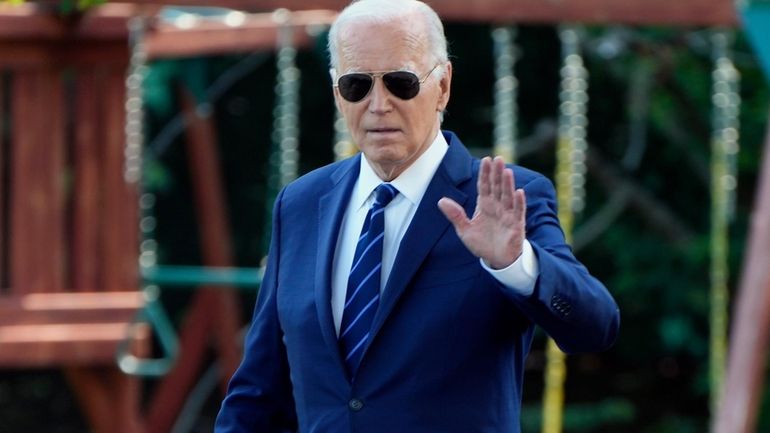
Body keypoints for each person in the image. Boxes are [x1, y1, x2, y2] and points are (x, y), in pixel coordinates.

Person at [215, 1, 619, 432]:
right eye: (357, 85)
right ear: (337, 94)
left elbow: (595, 327)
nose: (378, 104)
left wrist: (516, 264)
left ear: (442, 85)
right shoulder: (300, 204)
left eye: (400, 82)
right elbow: (259, 389)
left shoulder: (504, 198)